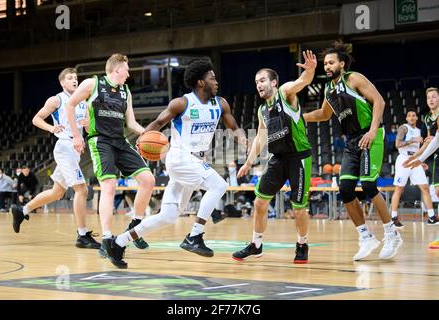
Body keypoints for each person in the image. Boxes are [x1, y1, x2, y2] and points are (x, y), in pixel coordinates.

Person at [103, 59, 247, 268]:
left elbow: (233, 126)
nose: (216, 81)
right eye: (212, 78)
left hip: (195, 161)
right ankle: (195, 236)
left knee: (168, 216)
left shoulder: (220, 103)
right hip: (180, 158)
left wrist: (244, 140)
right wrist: (144, 141)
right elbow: (159, 123)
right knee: (219, 185)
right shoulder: (182, 103)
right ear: (200, 82)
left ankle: (118, 242)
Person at [303, 41, 402, 261]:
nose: (327, 67)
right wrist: (300, 117)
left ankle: (391, 233)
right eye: (325, 64)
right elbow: (324, 114)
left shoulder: (354, 78)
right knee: (345, 189)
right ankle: (366, 237)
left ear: (342, 63)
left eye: (331, 63)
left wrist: (374, 131)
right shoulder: (329, 89)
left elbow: (379, 101)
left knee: (368, 184)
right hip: (352, 142)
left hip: (371, 135)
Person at [65, 53, 154, 263]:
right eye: (127, 69)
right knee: (109, 186)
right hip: (100, 141)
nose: (129, 73)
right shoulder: (92, 83)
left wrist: (147, 134)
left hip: (120, 141)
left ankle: (135, 224)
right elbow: (70, 105)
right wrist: (77, 136)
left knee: (148, 181)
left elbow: (131, 123)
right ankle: (106, 239)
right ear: (116, 70)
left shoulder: (125, 91)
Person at [232, 50, 316, 264]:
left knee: (298, 210)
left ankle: (302, 244)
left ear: (274, 82)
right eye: (256, 82)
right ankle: (256, 245)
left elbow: (302, 81)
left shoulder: (286, 92)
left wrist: (311, 70)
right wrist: (249, 162)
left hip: (299, 158)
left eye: (262, 80)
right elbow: (260, 137)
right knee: (260, 202)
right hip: (278, 159)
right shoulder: (262, 111)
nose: (259, 85)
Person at [10, 68, 101, 249]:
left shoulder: (82, 99)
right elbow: (37, 119)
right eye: (70, 78)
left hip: (74, 150)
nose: (75, 80)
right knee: (81, 190)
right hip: (64, 148)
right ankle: (82, 235)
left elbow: (89, 126)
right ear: (62, 82)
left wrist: (88, 124)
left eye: (76, 78)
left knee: (57, 192)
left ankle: (22, 210)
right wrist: (52, 128)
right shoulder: (56, 99)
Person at [390, 110, 437, 228]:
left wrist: (421, 161)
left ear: (417, 118)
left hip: (415, 160)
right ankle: (393, 217)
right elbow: (397, 144)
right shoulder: (403, 128)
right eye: (409, 116)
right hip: (404, 158)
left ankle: (431, 217)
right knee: (399, 188)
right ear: (406, 118)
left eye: (414, 115)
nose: (412, 117)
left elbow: (420, 149)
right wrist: (413, 140)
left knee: (425, 187)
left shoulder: (419, 131)